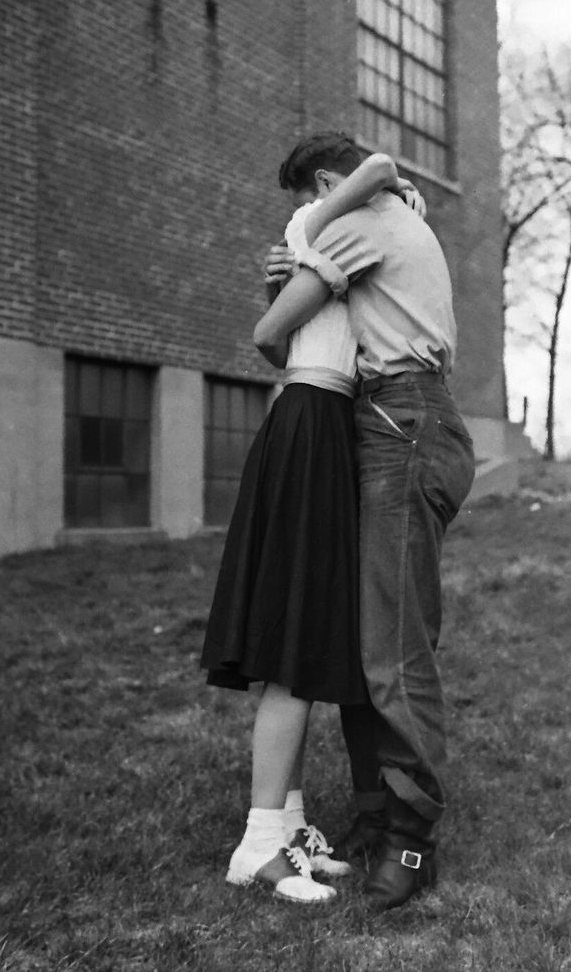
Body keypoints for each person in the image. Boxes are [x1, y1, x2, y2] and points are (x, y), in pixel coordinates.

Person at [200, 141, 424, 904]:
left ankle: (287, 827)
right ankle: (261, 842)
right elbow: (270, 333)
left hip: (327, 419)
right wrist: (380, 185)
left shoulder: (340, 243)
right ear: (332, 185)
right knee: (292, 637)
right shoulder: (318, 223)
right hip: (312, 416)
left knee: (303, 628)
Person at [258, 131, 476, 910]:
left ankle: (411, 838)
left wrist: (295, 249)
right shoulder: (395, 213)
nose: (304, 217)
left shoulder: (354, 218)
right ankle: (376, 814)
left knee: (392, 650)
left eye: (306, 200)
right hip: (391, 422)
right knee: (365, 644)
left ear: (324, 182)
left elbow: (274, 334)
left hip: (404, 424)